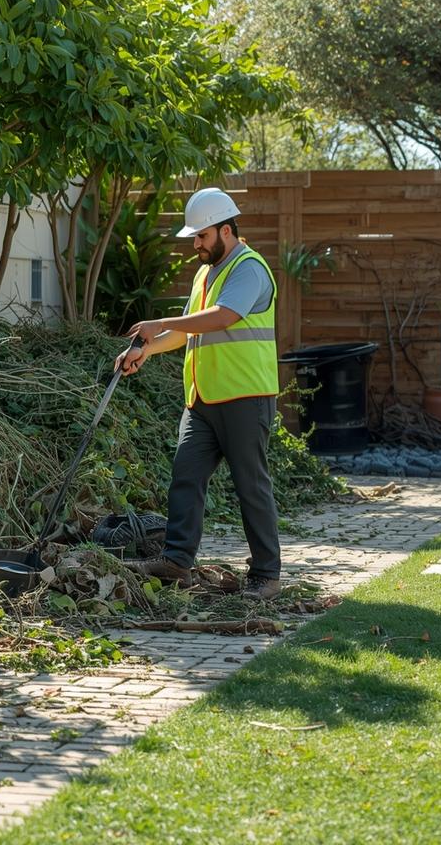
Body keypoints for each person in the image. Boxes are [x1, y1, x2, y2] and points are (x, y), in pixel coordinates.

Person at [112, 187, 283, 599]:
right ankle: (176, 561)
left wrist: (158, 321)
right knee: (185, 477)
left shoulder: (248, 268)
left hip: (245, 397)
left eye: (202, 236)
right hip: (203, 400)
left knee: (250, 487)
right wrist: (146, 349)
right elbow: (188, 327)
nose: (195, 244)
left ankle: (266, 575)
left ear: (225, 230)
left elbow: (223, 317)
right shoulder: (206, 273)